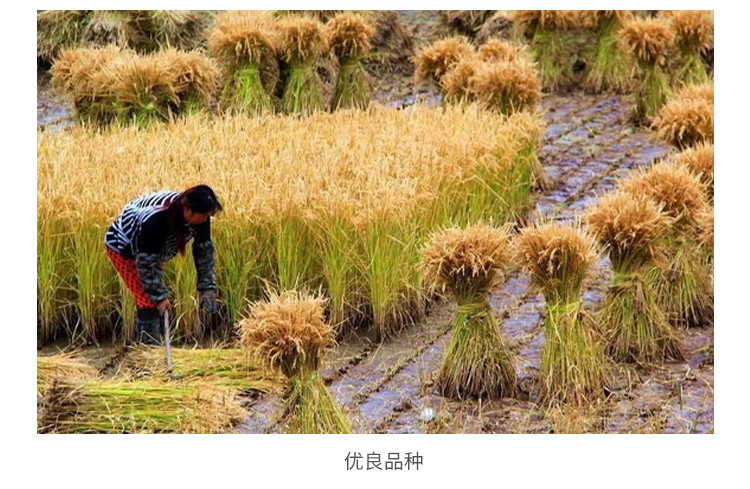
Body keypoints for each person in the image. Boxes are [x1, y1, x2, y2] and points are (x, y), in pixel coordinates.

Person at [104, 185, 222, 344]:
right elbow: (146, 263)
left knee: (154, 297)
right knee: (148, 300)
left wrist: (207, 287)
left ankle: (154, 345)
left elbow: (203, 251)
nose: (206, 219)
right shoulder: (156, 218)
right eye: (204, 214)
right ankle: (148, 352)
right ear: (188, 210)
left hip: (153, 248)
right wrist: (159, 296)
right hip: (123, 245)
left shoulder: (200, 219)